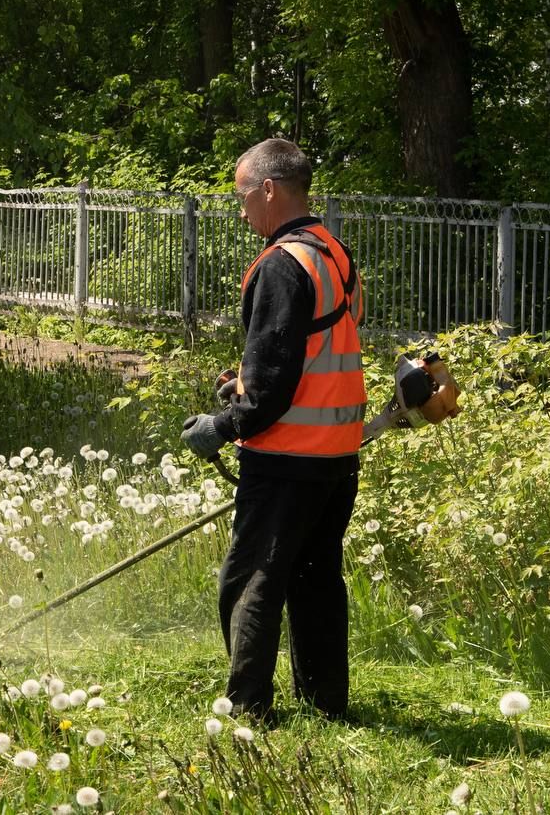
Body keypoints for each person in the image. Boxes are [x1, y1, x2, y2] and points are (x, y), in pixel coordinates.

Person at [180, 138, 366, 720]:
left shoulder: (282, 264)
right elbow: (313, 349)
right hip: (336, 454)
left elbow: (276, 383)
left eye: (241, 195)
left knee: (252, 582)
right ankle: (325, 703)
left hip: (285, 457)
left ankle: (249, 710)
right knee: (316, 583)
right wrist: (244, 381)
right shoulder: (334, 253)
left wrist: (223, 422)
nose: (239, 210)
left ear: (267, 189)